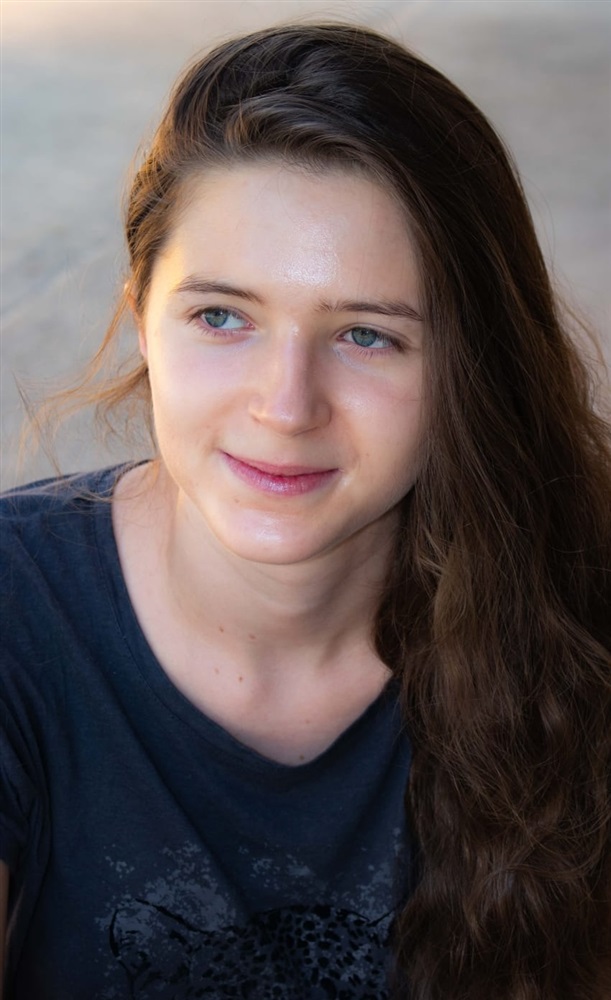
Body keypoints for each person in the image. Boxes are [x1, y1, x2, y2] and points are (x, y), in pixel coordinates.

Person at [1, 22, 610, 1000]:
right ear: (141, 316)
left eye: (366, 335)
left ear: (467, 362)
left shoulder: (574, 622)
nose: (286, 407)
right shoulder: (16, 616)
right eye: (221, 317)